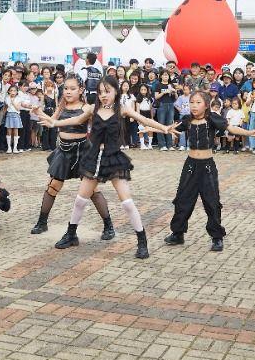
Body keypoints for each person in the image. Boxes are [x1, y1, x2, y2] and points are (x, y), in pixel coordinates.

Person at [35, 76, 171, 259]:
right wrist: (54, 123)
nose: (103, 95)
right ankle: (71, 234)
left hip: (113, 159)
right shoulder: (93, 108)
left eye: (107, 91)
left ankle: (142, 241)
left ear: (116, 91)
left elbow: (144, 120)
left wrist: (164, 128)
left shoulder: (122, 109)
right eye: (100, 92)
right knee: (80, 200)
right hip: (93, 158)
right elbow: (75, 121)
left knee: (127, 203)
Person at [164, 90, 255, 250]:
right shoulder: (187, 120)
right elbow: (169, 128)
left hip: (207, 166)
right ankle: (177, 233)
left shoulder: (213, 119)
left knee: (212, 201)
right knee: (183, 199)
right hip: (190, 166)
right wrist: (153, 128)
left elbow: (232, 128)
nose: (194, 106)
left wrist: (249, 132)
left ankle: (216, 237)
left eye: (198, 102)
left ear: (206, 104)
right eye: (192, 102)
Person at [30, 76, 116, 237]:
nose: (68, 91)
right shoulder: (61, 106)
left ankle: (108, 226)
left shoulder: (87, 108)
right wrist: (38, 112)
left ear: (81, 90)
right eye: (66, 88)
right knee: (53, 186)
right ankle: (42, 222)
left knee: (92, 190)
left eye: (72, 88)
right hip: (63, 151)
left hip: (83, 151)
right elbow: (51, 121)